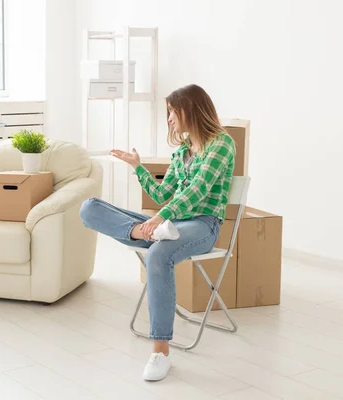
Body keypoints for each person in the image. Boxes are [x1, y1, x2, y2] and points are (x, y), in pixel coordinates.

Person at [79, 84, 236, 381]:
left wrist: (162, 218)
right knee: (88, 208)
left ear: (189, 109)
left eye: (171, 112)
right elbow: (164, 193)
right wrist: (138, 168)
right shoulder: (180, 153)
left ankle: (160, 351)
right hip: (168, 225)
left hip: (203, 224)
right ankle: (143, 232)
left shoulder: (221, 144)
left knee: (158, 254)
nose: (169, 120)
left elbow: (197, 190)